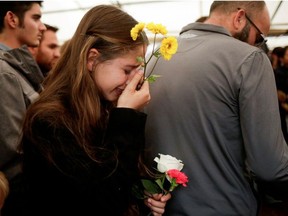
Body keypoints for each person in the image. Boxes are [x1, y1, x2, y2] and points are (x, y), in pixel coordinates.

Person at [2, 5, 170, 216]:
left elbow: (122, 179)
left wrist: (145, 196)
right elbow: (102, 202)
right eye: (127, 70)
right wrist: (126, 117)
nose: (131, 82)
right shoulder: (50, 120)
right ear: (92, 59)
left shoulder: (105, 107)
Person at [144, 1, 288, 216]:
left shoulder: (157, 55)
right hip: (225, 204)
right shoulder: (250, 59)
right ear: (239, 18)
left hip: (161, 205)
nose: (258, 45)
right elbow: (269, 166)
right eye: (259, 38)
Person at [0, 2, 46, 213]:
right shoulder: (4, 72)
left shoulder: (12, 67)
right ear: (12, 19)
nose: (42, 27)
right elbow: (14, 154)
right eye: (35, 18)